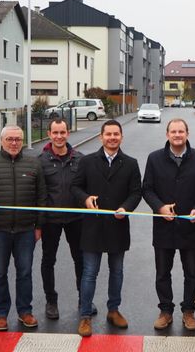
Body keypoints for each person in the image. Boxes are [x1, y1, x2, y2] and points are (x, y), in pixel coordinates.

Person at [71, 120, 142, 337]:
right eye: (108, 134)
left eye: (116, 134)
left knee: (117, 272)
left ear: (121, 137)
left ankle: (114, 310)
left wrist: (126, 207)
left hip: (118, 226)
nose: (112, 138)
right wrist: (85, 199)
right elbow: (75, 186)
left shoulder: (130, 163)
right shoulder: (87, 161)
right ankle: (85, 316)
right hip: (92, 227)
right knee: (89, 273)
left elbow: (136, 192)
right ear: (101, 137)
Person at [143, 118, 195, 331]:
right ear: (167, 135)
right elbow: (147, 189)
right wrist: (160, 207)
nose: (177, 135)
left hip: (191, 227)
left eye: (181, 131)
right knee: (162, 273)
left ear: (187, 134)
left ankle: (188, 311)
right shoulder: (154, 159)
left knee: (191, 273)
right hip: (163, 227)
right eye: (173, 131)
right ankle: (165, 311)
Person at [0, 125, 47, 331]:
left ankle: (25, 311)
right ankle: (0, 313)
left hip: (26, 230)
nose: (14, 143)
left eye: (18, 139)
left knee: (24, 272)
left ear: (23, 141)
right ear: (1, 141)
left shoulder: (34, 164)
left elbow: (41, 197)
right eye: (10, 139)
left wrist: (39, 226)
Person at [37, 119, 85, 321]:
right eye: (55, 132)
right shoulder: (40, 161)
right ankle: (51, 301)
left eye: (62, 132)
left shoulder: (80, 159)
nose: (59, 136)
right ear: (49, 134)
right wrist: (38, 223)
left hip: (77, 219)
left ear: (68, 133)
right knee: (48, 260)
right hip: (51, 220)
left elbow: (86, 188)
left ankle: (84, 300)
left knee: (81, 260)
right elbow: (38, 194)